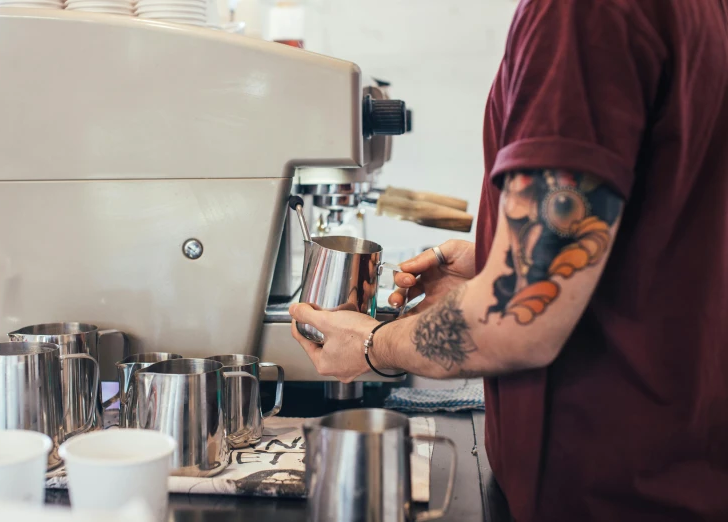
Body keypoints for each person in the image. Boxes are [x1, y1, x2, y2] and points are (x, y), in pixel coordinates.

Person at [288, 0, 728, 520]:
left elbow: (519, 318)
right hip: (680, 463)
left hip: (602, 489)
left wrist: (370, 344)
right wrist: (496, 262)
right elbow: (669, 229)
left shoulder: (579, 15)